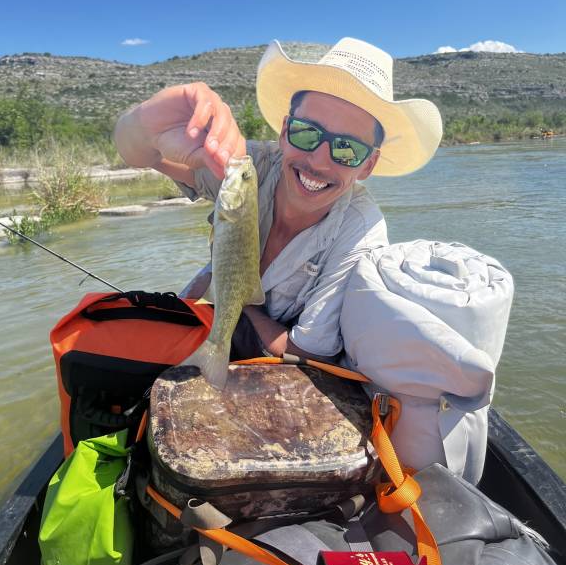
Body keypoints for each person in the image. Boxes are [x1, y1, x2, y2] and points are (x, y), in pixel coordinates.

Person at [114, 37, 442, 362]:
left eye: (348, 149)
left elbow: (311, 352)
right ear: (285, 132)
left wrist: (240, 309)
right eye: (307, 132)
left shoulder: (361, 235)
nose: (319, 161)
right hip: (210, 310)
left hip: (264, 355)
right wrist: (144, 123)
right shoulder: (246, 169)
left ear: (368, 164)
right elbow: (139, 153)